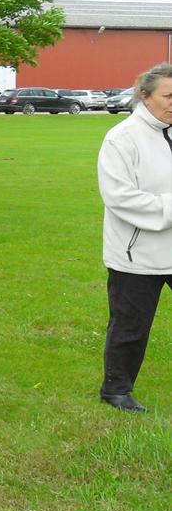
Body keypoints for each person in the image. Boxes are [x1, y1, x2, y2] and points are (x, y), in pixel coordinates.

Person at [97, 62, 172, 413]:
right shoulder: (121, 138)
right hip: (136, 254)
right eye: (168, 96)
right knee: (131, 326)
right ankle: (116, 390)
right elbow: (119, 197)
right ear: (145, 96)